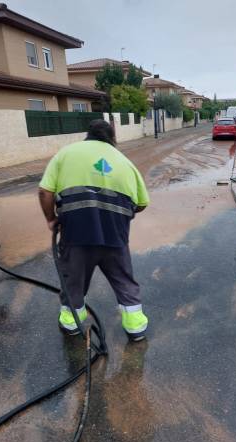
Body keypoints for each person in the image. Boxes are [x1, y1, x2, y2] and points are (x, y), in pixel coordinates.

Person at [38, 119, 149, 342]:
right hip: (115, 236)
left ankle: (71, 324)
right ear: (112, 137)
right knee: (124, 280)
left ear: (87, 135)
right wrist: (122, 213)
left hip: (76, 234)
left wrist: (51, 219)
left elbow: (45, 192)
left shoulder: (66, 154)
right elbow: (142, 202)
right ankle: (136, 327)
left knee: (74, 280)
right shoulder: (124, 161)